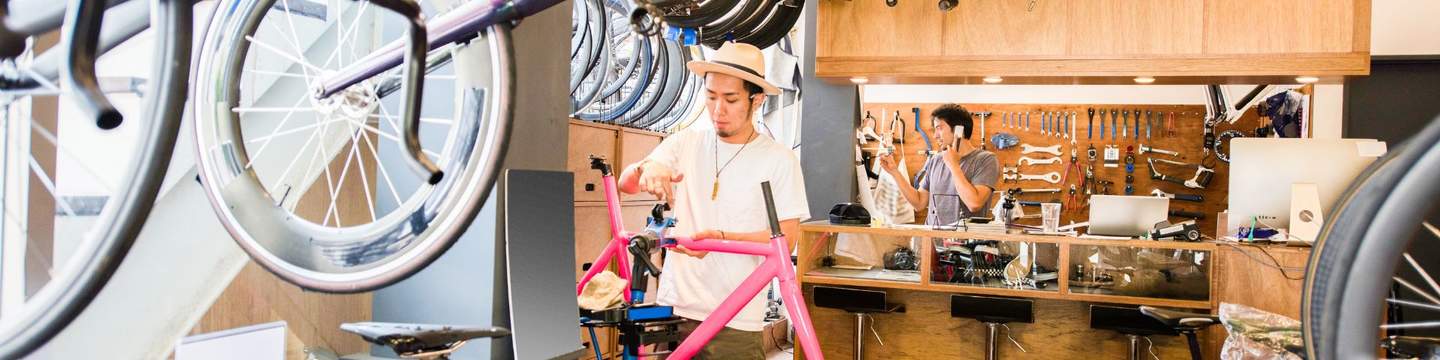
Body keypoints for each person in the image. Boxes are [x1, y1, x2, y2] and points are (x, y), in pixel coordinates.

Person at [617, 41, 809, 359]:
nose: (718, 110)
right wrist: (649, 167)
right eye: (711, 96)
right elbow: (626, 183)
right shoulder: (686, 142)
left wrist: (721, 240)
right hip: (675, 309)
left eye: (731, 99)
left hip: (736, 317)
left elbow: (786, 239)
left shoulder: (778, 160)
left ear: (756, 99)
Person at [879, 104, 1000, 225]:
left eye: (939, 128)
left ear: (959, 130)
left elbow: (974, 204)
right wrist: (894, 172)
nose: (935, 135)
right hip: (932, 241)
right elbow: (919, 203)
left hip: (966, 242)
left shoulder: (986, 160)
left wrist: (954, 165)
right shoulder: (936, 160)